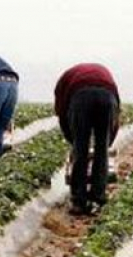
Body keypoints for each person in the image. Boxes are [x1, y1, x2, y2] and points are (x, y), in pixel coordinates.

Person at [54, 63, 120, 215]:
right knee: (101, 151)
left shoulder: (65, 82)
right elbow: (116, 119)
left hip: (81, 97)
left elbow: (62, 115)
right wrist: (106, 143)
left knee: (81, 150)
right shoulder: (105, 75)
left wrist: (74, 142)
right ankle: (97, 199)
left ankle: (79, 202)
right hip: (107, 97)